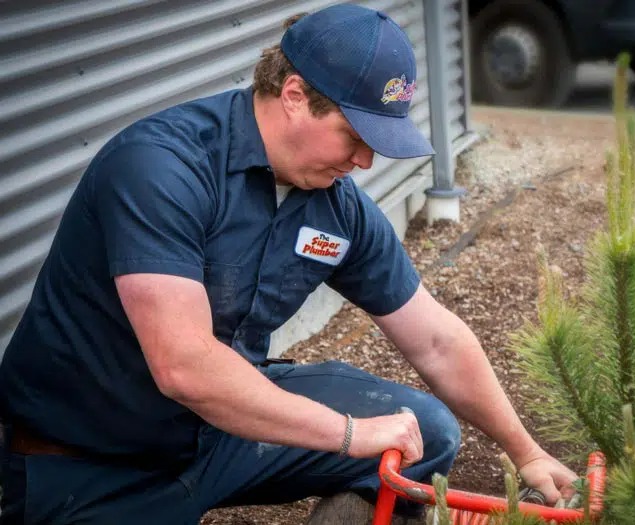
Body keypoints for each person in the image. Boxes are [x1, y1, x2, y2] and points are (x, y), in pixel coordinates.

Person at [0, 4, 577, 524]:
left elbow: (435, 341)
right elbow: (184, 367)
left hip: (214, 438)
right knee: (371, 443)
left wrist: (526, 452)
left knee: (424, 433)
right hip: (91, 464)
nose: (366, 160)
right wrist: (349, 436)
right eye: (354, 134)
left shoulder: (334, 204)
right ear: (295, 96)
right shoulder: (161, 167)